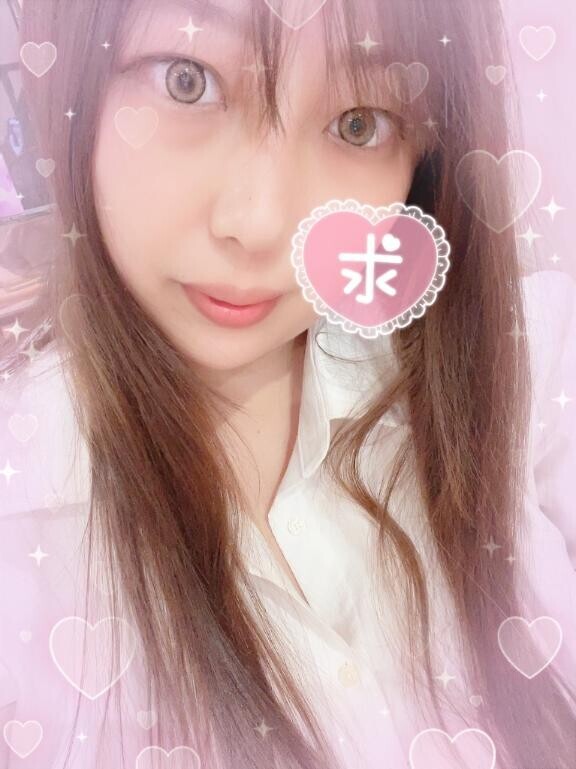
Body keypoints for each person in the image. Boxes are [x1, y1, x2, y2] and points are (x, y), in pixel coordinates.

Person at [1, 1, 575, 768]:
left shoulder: (532, 359)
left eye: (360, 124)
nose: (260, 224)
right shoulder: (25, 530)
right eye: (187, 80)